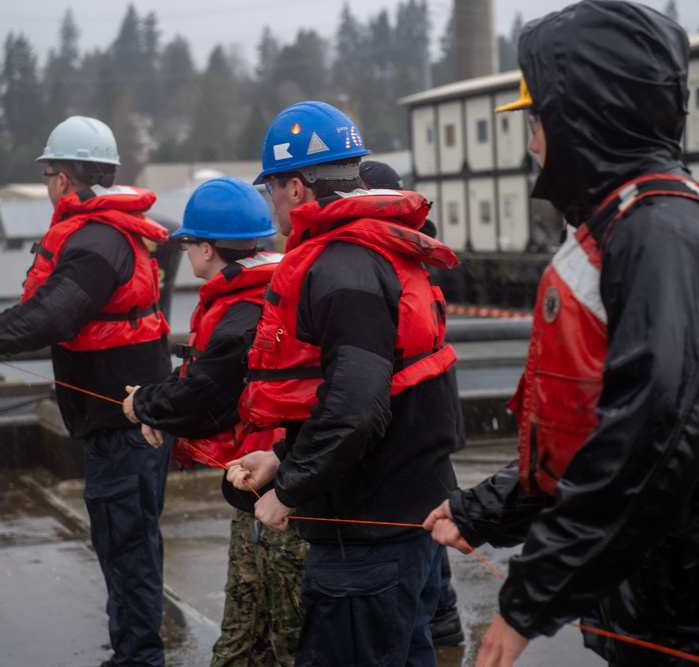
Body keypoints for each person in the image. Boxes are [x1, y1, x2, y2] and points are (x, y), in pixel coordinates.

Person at [423, 2, 699, 666]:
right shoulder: (635, 227)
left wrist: (529, 599)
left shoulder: (661, 237)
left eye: (537, 120)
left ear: (581, 117)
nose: (531, 142)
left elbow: (651, 439)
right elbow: (594, 433)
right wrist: (480, 511)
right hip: (680, 602)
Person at [0, 116, 174, 667]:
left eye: (47, 176)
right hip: (128, 427)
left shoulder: (95, 242)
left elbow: (55, 315)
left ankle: (140, 658)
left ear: (62, 179)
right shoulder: (113, 232)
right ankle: (133, 652)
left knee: (126, 549)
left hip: (125, 433)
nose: (46, 187)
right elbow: (45, 307)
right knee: (124, 546)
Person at [226, 101, 463, 665]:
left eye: (273, 190)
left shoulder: (340, 267)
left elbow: (357, 407)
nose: (273, 205)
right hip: (403, 524)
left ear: (298, 189)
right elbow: (364, 393)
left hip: (367, 546)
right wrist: (284, 456)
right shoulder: (376, 251)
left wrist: (290, 489)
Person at [121, 176, 309, 667]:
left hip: (274, 487)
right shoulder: (270, 290)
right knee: (250, 633)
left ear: (204, 248)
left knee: (282, 636)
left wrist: (146, 405)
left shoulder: (240, 312)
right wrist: (162, 407)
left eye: (188, 243)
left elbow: (208, 393)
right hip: (270, 479)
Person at [359, 159, 463, 648]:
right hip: (432, 415)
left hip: (407, 418)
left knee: (418, 529)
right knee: (430, 519)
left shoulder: (378, 260)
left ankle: (436, 620)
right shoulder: (417, 251)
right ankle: (443, 619)